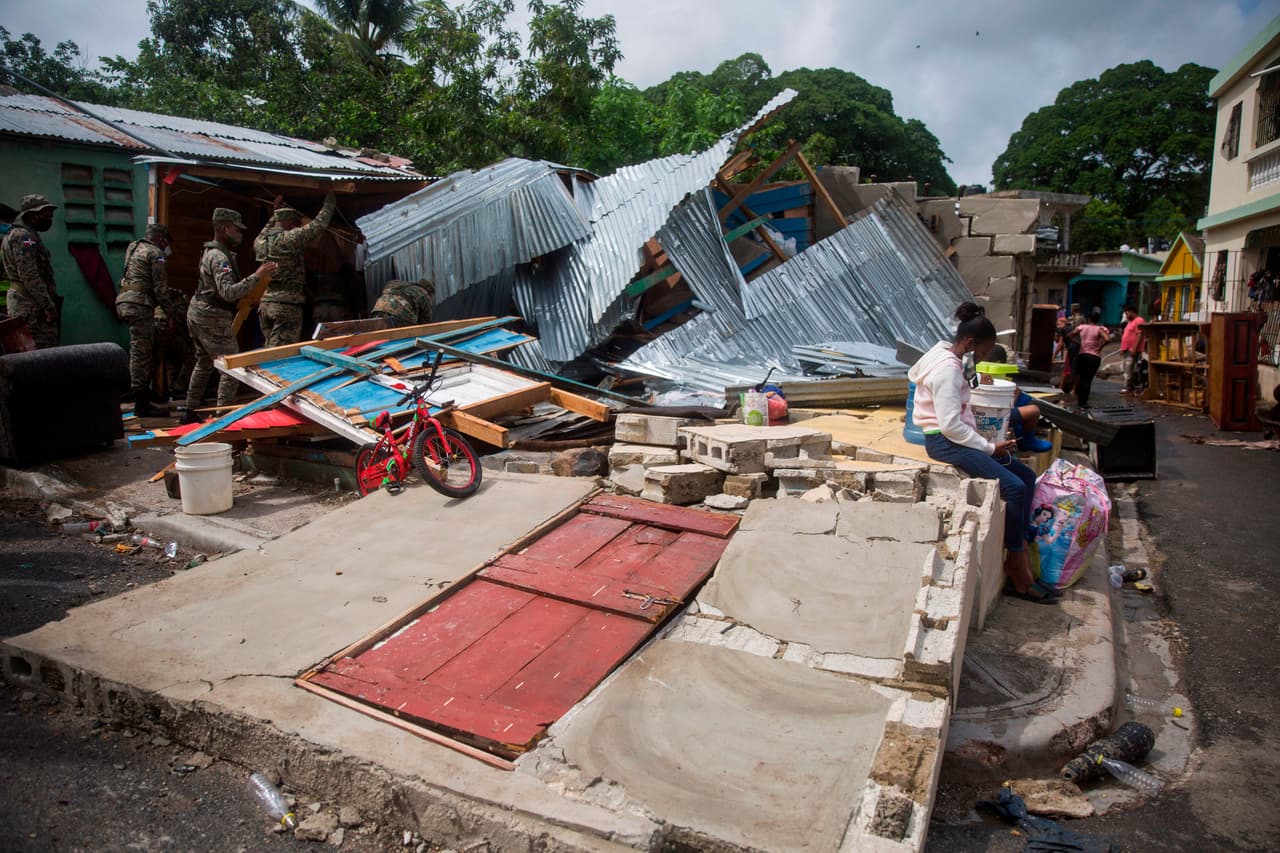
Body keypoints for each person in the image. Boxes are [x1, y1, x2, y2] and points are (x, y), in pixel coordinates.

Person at [908, 303, 1058, 604]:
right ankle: (1017, 568)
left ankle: (1021, 549)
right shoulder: (948, 370)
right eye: (986, 349)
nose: (986, 355)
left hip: (956, 437)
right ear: (972, 343)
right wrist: (990, 446)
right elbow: (950, 426)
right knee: (1013, 488)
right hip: (944, 441)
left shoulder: (945, 355)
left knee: (1027, 477)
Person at [183, 208, 278, 423]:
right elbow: (227, 293)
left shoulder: (212, 252)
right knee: (231, 365)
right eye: (237, 229)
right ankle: (223, 416)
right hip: (211, 316)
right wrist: (257, 276)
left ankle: (190, 409)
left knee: (204, 362)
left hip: (199, 312)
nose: (240, 234)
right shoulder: (219, 257)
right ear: (225, 228)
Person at [256, 192, 336, 347]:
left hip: (266, 304)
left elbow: (267, 228)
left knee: (269, 349)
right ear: (291, 224)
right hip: (286, 306)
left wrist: (274, 213)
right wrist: (330, 203)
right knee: (280, 354)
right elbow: (317, 225)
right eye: (296, 224)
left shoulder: (260, 241)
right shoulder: (289, 239)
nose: (297, 227)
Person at [115, 223, 176, 417]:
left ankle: (142, 393)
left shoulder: (134, 247)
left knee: (138, 349)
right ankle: (141, 401)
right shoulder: (155, 253)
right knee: (142, 352)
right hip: (140, 305)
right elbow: (160, 289)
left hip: (125, 301)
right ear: (161, 239)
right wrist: (171, 313)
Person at [1, 194, 61, 348]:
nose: (49, 219)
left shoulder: (22, 235)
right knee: (40, 354)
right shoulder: (24, 237)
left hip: (29, 303)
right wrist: (48, 307)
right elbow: (29, 275)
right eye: (45, 215)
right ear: (32, 216)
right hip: (31, 307)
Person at [1067, 308, 1111, 409]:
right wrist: (1100, 347)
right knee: (1088, 379)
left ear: (1088, 319)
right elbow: (1107, 339)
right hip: (1094, 357)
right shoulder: (1099, 329)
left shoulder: (1082, 327)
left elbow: (1069, 336)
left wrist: (1079, 343)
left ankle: (1079, 401)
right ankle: (1083, 402)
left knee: (1081, 378)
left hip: (1082, 355)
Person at [370, 278, 435, 327]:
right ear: (429, 291)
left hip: (378, 309)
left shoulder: (401, 284)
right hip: (401, 315)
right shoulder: (424, 293)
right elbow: (425, 325)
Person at [1118, 303, 1146, 395]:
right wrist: (1122, 348)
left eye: (1127, 313)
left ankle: (1128, 387)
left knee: (1129, 368)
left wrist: (1134, 348)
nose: (1126, 315)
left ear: (1131, 312)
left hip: (1132, 349)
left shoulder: (1139, 320)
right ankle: (1130, 386)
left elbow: (1140, 334)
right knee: (1126, 368)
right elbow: (1127, 335)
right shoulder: (1130, 322)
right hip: (1126, 349)